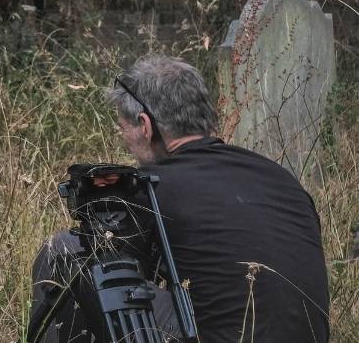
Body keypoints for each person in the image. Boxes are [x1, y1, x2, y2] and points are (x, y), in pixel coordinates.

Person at [28, 54, 329, 342]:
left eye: (123, 128)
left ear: (145, 126)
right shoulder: (280, 178)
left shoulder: (151, 187)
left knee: (66, 250)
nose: (125, 140)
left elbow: (123, 271)